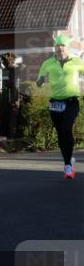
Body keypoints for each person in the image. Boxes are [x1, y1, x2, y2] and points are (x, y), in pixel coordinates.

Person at [36, 34, 84, 179]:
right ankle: (68, 161)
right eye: (58, 46)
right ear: (55, 48)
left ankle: (68, 166)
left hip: (71, 102)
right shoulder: (48, 63)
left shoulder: (77, 61)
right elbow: (39, 81)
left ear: (67, 47)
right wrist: (41, 81)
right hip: (55, 103)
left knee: (66, 128)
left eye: (63, 46)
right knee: (61, 134)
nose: (60, 48)